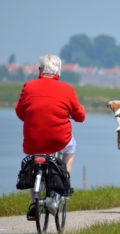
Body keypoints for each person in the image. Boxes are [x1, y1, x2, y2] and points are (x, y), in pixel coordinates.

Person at [15, 55, 86, 220]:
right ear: (58, 72)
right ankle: (64, 181)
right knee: (71, 147)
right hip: (59, 139)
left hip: (33, 141)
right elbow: (80, 116)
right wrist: (78, 111)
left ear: (40, 70)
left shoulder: (28, 86)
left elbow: (20, 112)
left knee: (35, 160)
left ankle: (34, 201)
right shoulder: (67, 89)